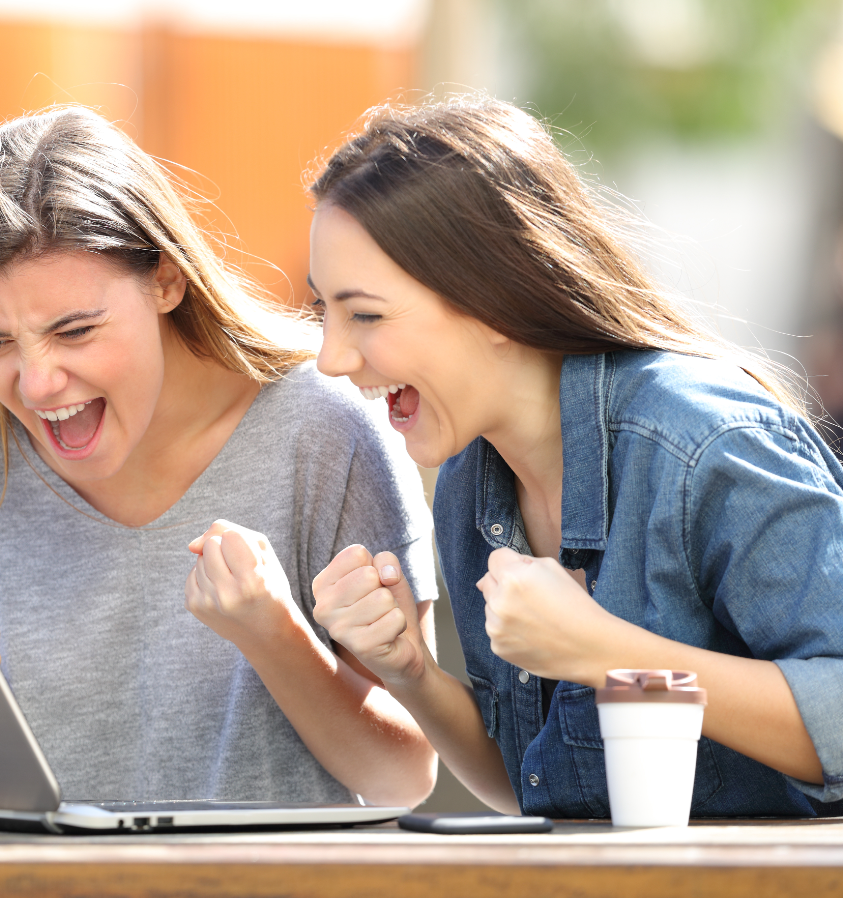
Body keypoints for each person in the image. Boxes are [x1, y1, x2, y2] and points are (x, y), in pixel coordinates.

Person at [306, 95, 843, 818]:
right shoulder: (474, 478)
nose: (331, 358)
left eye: (365, 314)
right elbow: (534, 792)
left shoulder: (704, 444)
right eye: (325, 311)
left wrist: (603, 650)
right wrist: (411, 672)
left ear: (492, 297)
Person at [0, 106, 437, 806]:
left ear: (167, 281)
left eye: (75, 331)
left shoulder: (325, 430)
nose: (37, 383)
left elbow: (406, 777)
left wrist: (277, 638)